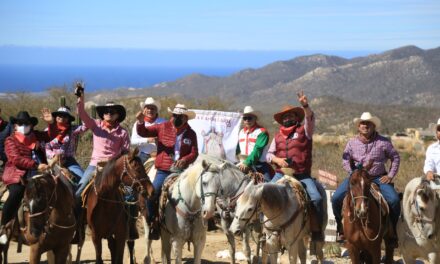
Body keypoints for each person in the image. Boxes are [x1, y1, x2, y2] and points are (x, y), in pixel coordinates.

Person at [331, 112, 401, 245]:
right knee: (336, 198)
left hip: (378, 178)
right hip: (357, 179)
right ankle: (341, 230)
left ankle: (392, 233)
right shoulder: (351, 143)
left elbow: (395, 158)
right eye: (363, 123)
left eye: (368, 123)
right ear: (358, 126)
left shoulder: (384, 142)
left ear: (374, 126)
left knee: (394, 200)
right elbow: (345, 160)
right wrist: (352, 173)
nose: (365, 125)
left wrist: (390, 175)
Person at [266, 91, 325, 241]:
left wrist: (305, 105)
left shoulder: (305, 131)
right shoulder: (277, 136)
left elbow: (310, 118)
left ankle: (316, 230)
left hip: (301, 174)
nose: (287, 118)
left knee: (316, 198)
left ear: (296, 117)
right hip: (281, 174)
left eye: (290, 115)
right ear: (282, 120)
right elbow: (268, 155)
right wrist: (277, 160)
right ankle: (264, 229)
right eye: (285, 117)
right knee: (264, 195)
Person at [135, 103, 198, 239]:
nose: (176, 118)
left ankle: (200, 223)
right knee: (152, 194)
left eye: (179, 116)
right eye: (174, 115)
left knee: (197, 193)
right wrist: (140, 122)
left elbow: (194, 153)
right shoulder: (162, 127)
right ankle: (153, 222)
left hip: (182, 170)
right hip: (164, 169)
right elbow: (143, 132)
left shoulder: (191, 134)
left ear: (185, 118)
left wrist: (185, 160)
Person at [0, 111, 50, 244]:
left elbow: (51, 135)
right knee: (16, 193)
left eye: (26, 123)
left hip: (40, 173)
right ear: (15, 125)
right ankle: (3, 227)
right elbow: (15, 159)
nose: (24, 126)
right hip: (18, 175)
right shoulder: (10, 140)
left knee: (58, 188)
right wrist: (36, 165)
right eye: (20, 123)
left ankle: (62, 225)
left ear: (31, 125)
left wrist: (51, 123)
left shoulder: (36, 136)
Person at [74, 87, 130, 201]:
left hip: (113, 167)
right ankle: (77, 216)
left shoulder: (123, 132)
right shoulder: (96, 125)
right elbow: (82, 114)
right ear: (103, 115)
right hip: (95, 165)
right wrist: (81, 98)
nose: (109, 114)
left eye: (112, 112)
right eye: (106, 112)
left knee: (130, 192)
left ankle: (130, 217)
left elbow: (125, 153)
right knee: (79, 191)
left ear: (117, 115)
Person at [41, 106, 84, 181]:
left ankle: (78, 192)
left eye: (65, 116)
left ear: (68, 119)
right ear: (55, 117)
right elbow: (46, 147)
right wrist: (55, 156)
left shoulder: (72, 130)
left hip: (68, 160)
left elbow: (86, 126)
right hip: (51, 161)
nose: (62, 117)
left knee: (82, 178)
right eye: (59, 115)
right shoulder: (48, 130)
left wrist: (81, 113)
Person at [236, 106, 273, 182]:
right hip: (242, 164)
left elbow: (257, 150)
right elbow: (237, 149)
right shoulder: (241, 132)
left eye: (249, 118)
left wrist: (247, 163)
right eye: (245, 118)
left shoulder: (262, 132)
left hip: (259, 166)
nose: (247, 120)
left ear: (255, 118)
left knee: (268, 187)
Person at [131, 97, 166, 164]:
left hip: (161, 153)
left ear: (156, 110)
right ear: (144, 110)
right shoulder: (137, 123)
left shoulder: (163, 122)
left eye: (152, 108)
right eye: (148, 108)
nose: (150, 110)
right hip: (144, 154)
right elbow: (133, 141)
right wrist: (147, 140)